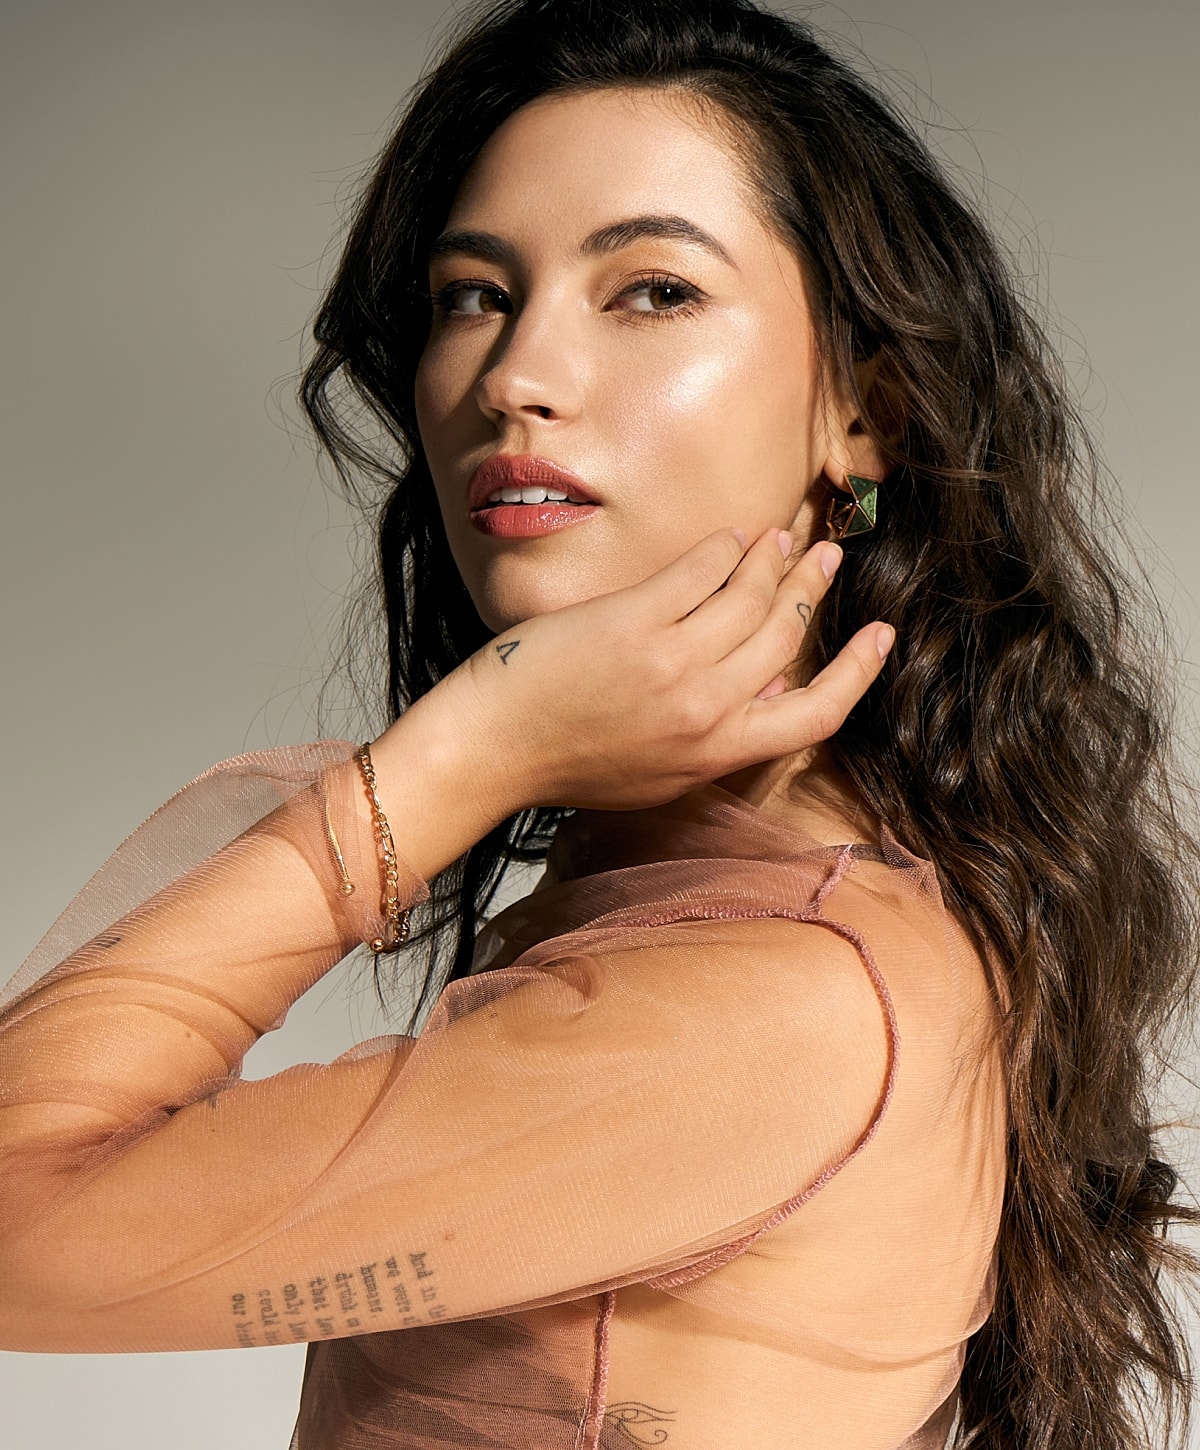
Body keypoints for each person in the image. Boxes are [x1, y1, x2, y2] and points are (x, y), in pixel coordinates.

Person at [1, 0, 1196, 1446]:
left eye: (653, 291)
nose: (516, 377)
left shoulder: (774, 997)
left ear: (866, 413)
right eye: (472, 295)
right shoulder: (730, 901)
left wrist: (467, 752)